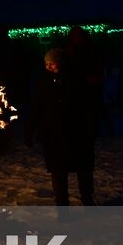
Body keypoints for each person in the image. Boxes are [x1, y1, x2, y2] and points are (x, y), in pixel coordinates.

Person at [28, 47, 99, 205]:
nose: (49, 66)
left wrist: (91, 128)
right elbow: (36, 107)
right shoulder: (43, 83)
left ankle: (87, 200)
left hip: (77, 132)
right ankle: (62, 205)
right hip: (54, 134)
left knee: (83, 169)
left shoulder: (76, 81)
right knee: (58, 171)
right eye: (47, 64)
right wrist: (30, 131)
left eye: (52, 63)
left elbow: (88, 107)